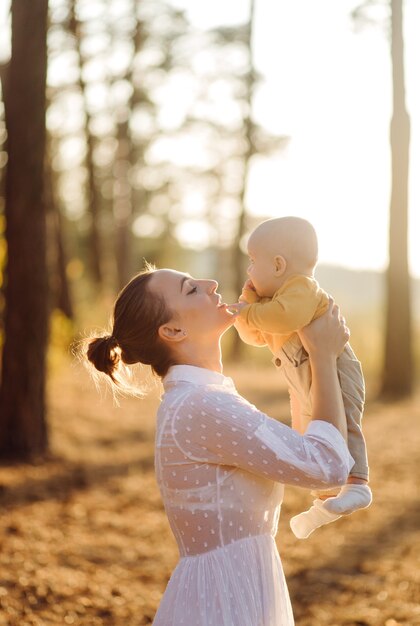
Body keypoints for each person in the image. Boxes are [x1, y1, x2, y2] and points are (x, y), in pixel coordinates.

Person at [85, 265, 354, 626]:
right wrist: (321, 355)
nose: (211, 283)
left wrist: (300, 355)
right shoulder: (202, 405)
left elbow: (314, 460)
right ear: (173, 331)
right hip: (224, 601)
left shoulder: (202, 398)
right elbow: (327, 467)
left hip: (236, 585)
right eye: (191, 289)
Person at [232, 216, 372, 539]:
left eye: (254, 262)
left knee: (345, 422)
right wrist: (247, 306)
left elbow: (283, 320)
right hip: (304, 378)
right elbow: (254, 334)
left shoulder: (301, 290)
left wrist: (248, 311)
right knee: (314, 433)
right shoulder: (270, 301)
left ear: (279, 265)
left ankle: (358, 483)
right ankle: (326, 499)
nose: (249, 271)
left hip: (337, 369)